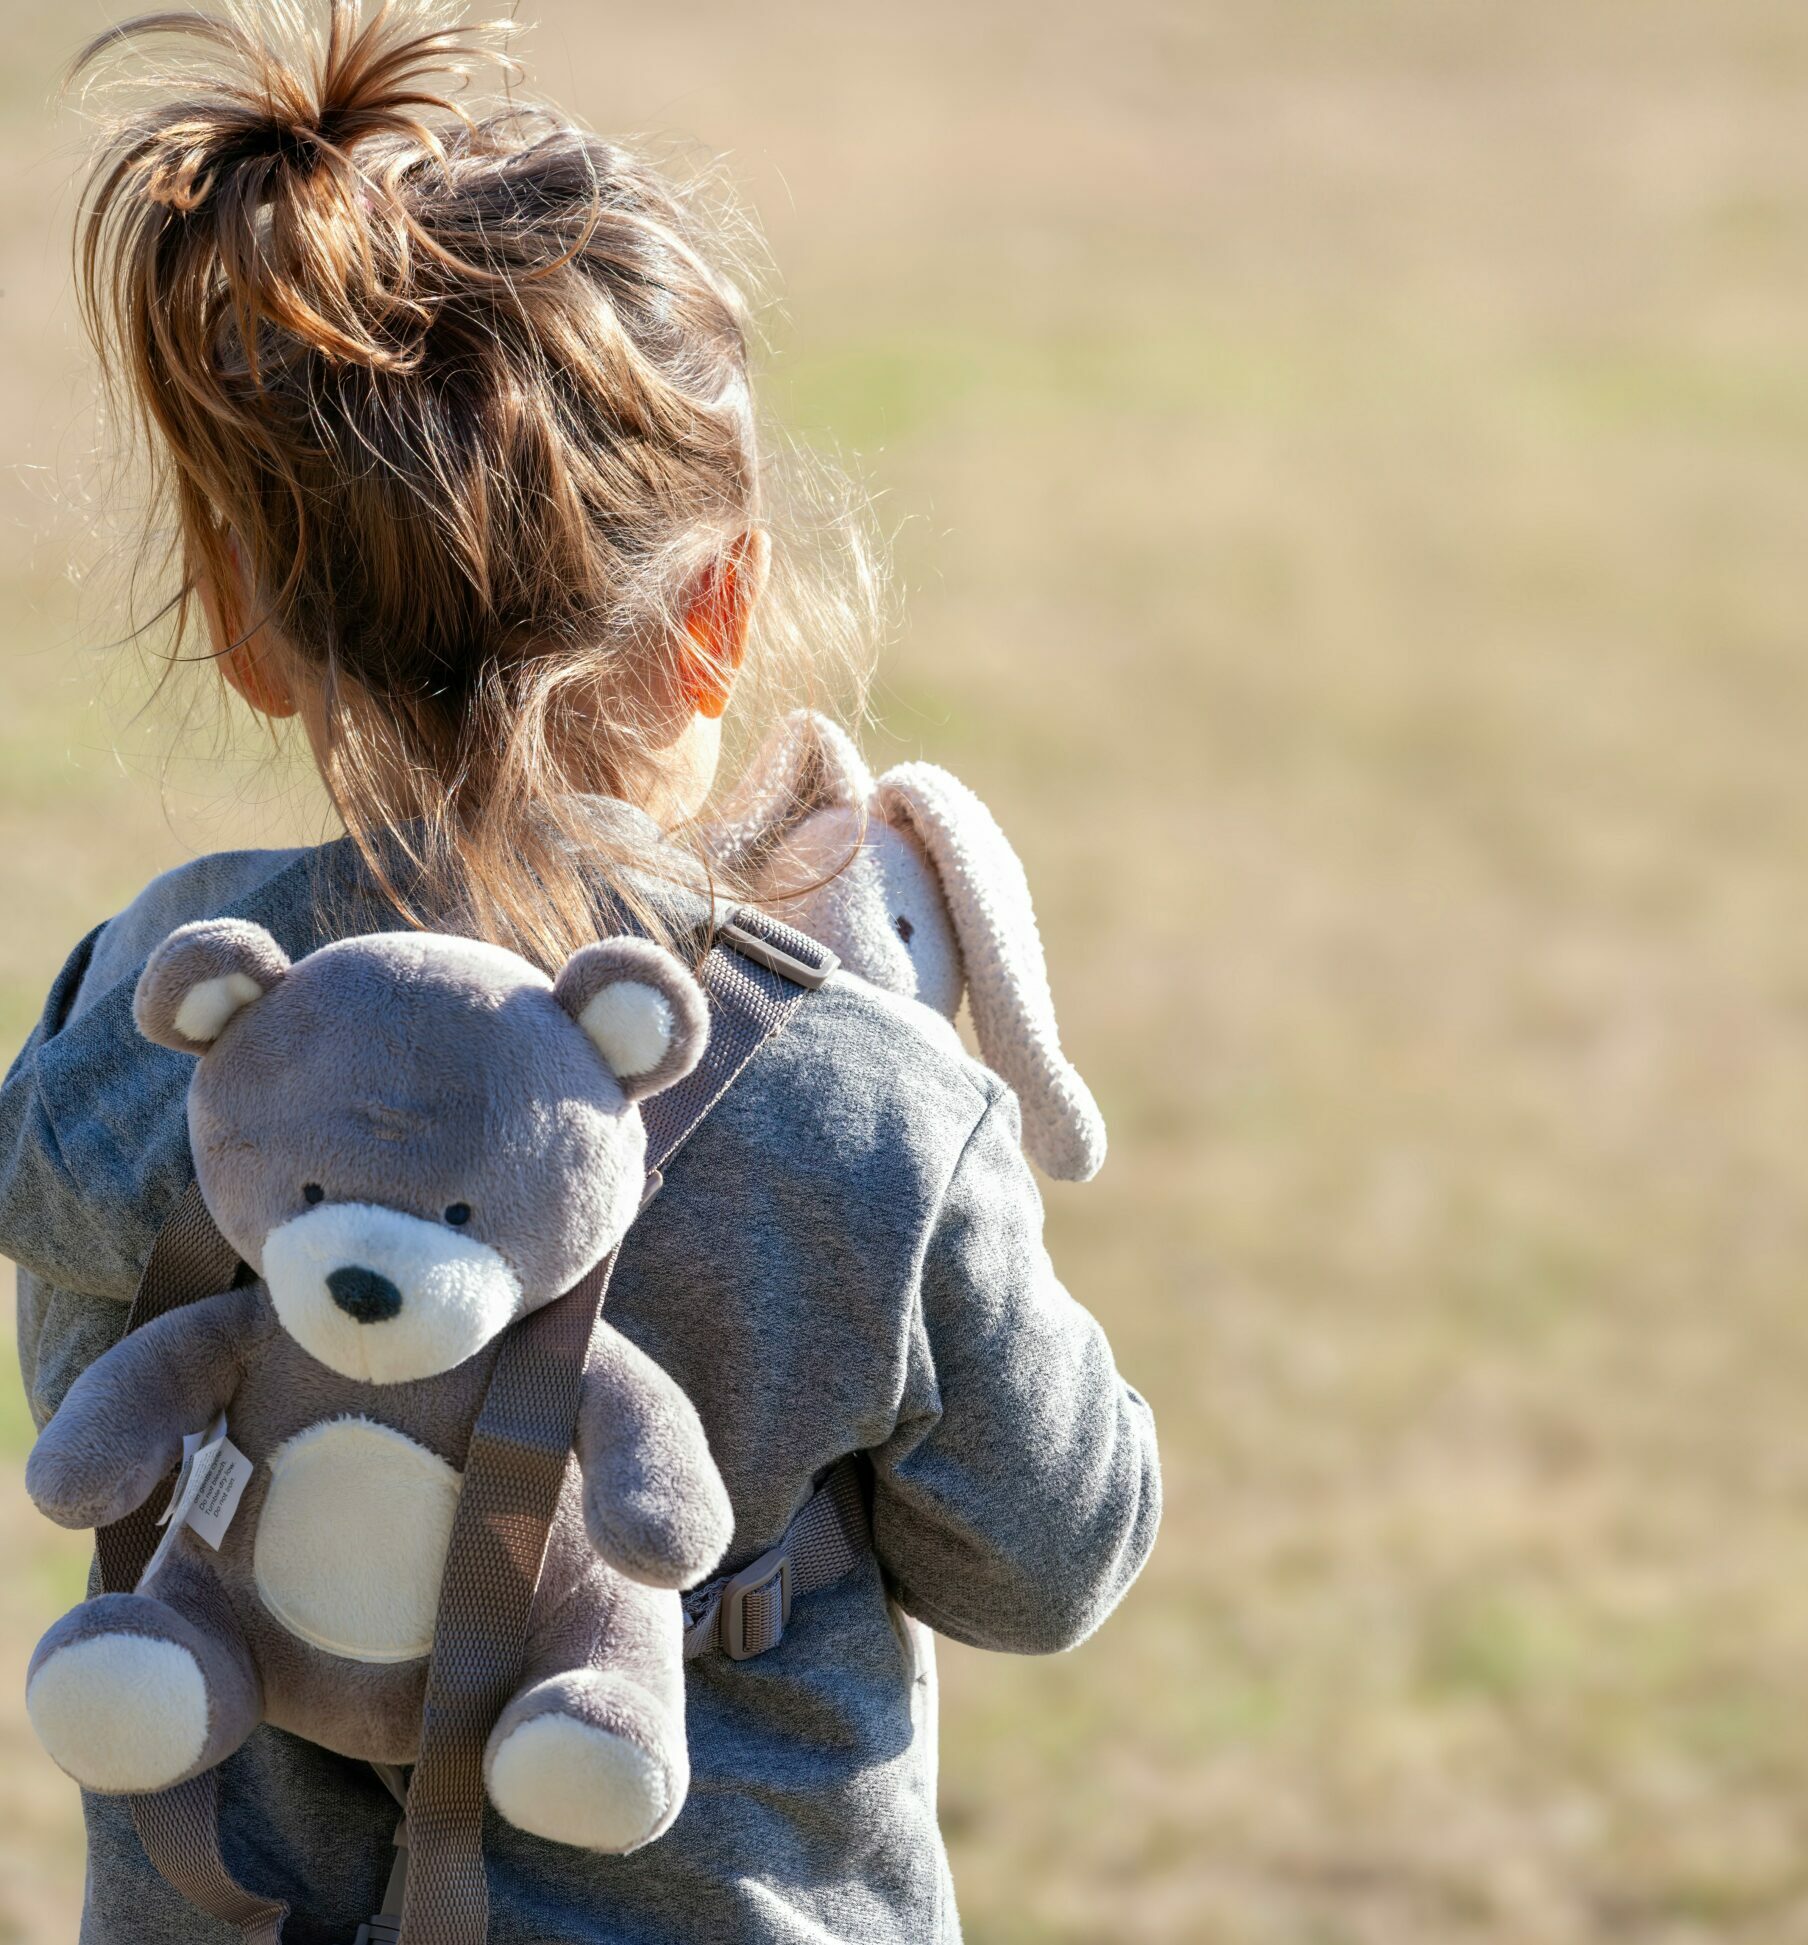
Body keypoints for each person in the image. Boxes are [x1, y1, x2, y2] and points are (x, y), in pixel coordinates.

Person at [0, 4, 1161, 1939]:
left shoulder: (155, 1007)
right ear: (717, 610)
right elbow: (1052, 1559)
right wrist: (922, 1107)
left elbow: (89, 1427)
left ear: (243, 618)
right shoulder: (861, 1091)